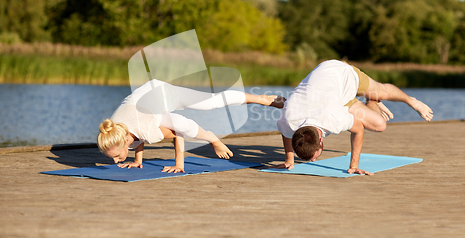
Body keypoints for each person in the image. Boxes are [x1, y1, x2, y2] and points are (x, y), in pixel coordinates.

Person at [275, 60, 433, 175]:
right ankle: (372, 100)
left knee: (382, 92)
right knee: (380, 125)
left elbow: (358, 130)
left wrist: (354, 165)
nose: (314, 161)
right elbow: (286, 132)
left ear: (321, 141)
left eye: (314, 156)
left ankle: (407, 100)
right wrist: (290, 159)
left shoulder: (333, 120)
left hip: (341, 74)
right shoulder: (289, 120)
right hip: (334, 96)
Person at [97, 79, 284, 173]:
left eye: (116, 156)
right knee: (159, 124)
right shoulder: (115, 128)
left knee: (211, 103)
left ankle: (261, 99)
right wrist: (138, 161)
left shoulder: (144, 128)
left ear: (125, 141)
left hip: (164, 94)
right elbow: (136, 137)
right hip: (149, 102)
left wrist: (179, 164)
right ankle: (262, 99)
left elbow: (178, 130)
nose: (115, 160)